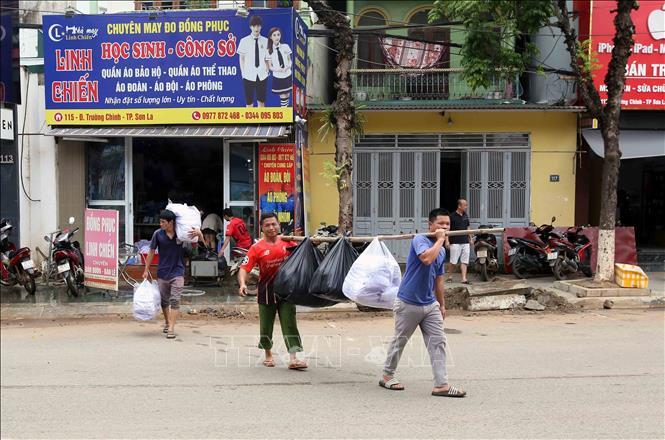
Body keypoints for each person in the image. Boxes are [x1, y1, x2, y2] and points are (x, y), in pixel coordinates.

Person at [379, 208, 466, 398]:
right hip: (408, 302)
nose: (444, 227)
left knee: (438, 342)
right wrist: (442, 239)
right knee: (400, 340)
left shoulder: (441, 252)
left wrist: (441, 305)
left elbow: (439, 280)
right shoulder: (420, 239)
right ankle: (387, 375)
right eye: (440, 224)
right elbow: (426, 259)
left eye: (447, 224)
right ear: (430, 225)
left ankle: (441, 385)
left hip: (430, 304)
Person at [237, 212, 308, 370]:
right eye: (267, 225)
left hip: (286, 291)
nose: (271, 227)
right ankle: (268, 354)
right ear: (262, 228)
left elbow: (303, 254)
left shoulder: (289, 242)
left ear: (279, 225)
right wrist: (242, 284)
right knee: (266, 326)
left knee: (290, 324)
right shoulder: (256, 248)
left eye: (274, 224)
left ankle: (294, 358)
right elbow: (244, 268)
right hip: (266, 291)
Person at [143, 209, 204, 339]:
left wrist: (199, 233)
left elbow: (199, 242)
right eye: (160, 222)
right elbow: (151, 252)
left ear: (171, 222)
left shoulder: (181, 233)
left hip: (178, 271)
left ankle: (171, 328)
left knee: (175, 300)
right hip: (162, 272)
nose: (161, 224)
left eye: (163, 222)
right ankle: (167, 321)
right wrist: (145, 270)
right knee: (164, 301)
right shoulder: (157, 234)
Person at [237, 15, 269, 107]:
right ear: (250, 27)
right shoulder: (244, 41)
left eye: (258, 26)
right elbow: (241, 58)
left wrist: (267, 70)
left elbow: (268, 57)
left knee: (261, 101)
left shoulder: (266, 41)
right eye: (254, 26)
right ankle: (250, 121)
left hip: (262, 75)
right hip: (248, 75)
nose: (256, 28)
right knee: (249, 102)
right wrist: (243, 72)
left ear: (261, 27)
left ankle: (261, 121)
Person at [265, 27, 292, 107]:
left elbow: (289, 60)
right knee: (282, 95)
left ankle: (285, 111)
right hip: (278, 76)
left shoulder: (285, 46)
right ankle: (284, 113)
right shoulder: (269, 51)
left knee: (287, 94)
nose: (277, 37)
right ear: (271, 37)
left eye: (278, 35)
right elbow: (270, 66)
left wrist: (288, 67)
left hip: (287, 74)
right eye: (274, 35)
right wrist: (278, 70)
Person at [449, 199, 472, 284]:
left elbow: (468, 227)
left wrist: (470, 238)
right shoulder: (452, 216)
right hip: (455, 242)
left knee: (464, 261)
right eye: (465, 205)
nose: (466, 207)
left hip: (465, 241)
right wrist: (447, 241)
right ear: (459, 206)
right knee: (453, 261)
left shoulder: (465, 215)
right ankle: (450, 275)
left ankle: (464, 278)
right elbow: (448, 230)